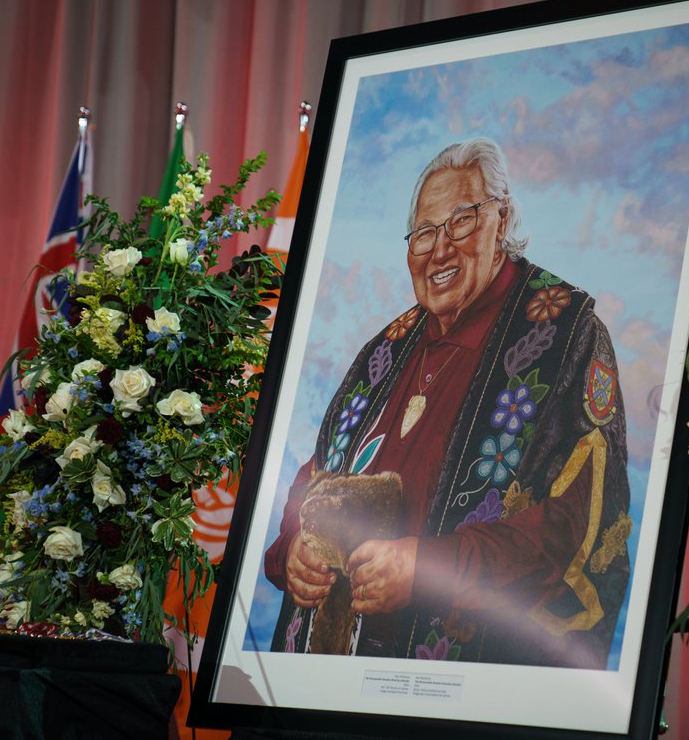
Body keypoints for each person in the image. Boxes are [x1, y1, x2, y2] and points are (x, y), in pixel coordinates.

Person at [264, 138, 630, 668]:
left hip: (462, 692)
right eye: (424, 233)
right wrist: (297, 546)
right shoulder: (385, 352)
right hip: (338, 681)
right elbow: (317, 477)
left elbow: (577, 528)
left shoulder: (566, 338)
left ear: (501, 220)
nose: (439, 249)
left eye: (461, 222)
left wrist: (428, 569)